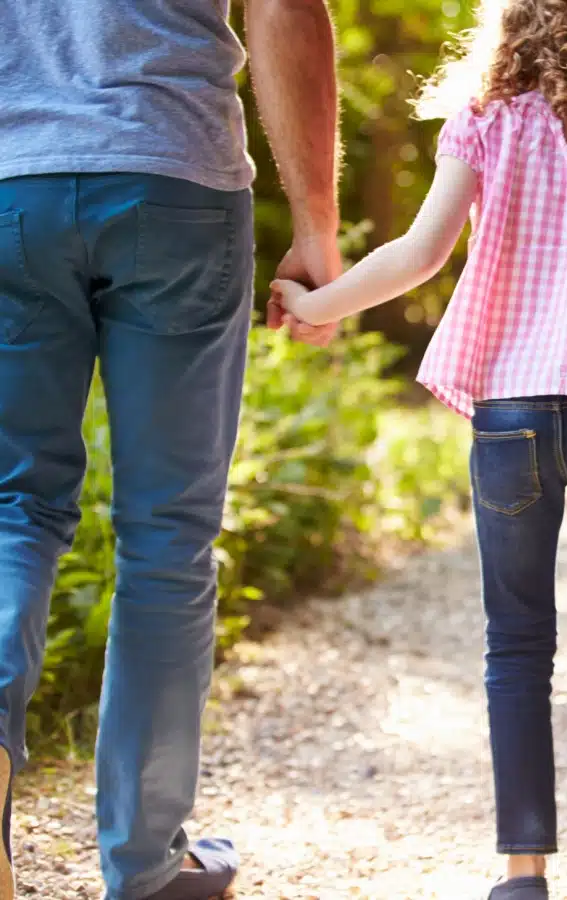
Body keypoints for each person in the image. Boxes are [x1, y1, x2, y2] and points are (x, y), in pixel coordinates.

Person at [270, 0, 567, 896]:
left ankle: (523, 870)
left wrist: (316, 306)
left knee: (516, 645)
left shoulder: (484, 125)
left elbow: (418, 253)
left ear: (519, 23)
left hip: (512, 418)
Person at [0, 0, 342, 896]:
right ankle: (146, 869)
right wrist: (316, 227)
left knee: (11, 508)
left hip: (12, 184)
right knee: (167, 538)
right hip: (173, 176)